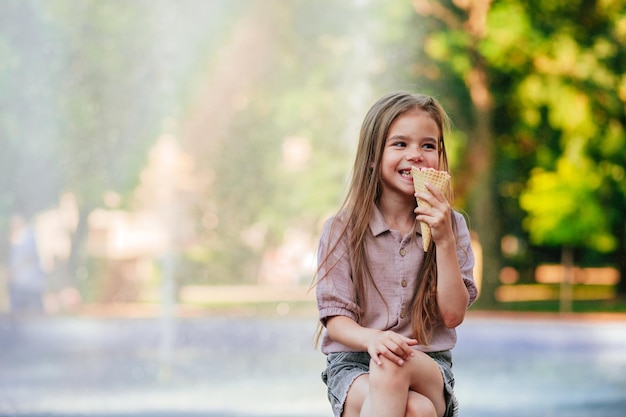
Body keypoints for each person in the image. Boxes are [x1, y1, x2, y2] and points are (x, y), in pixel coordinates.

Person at [314, 91, 478, 417]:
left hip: (428, 363)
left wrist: (444, 240)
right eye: (400, 144)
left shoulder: (452, 224)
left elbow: (453, 316)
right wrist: (373, 339)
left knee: (394, 364)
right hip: (355, 364)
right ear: (373, 156)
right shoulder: (342, 229)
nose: (415, 155)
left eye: (428, 145)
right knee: (417, 410)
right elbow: (335, 321)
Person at [8, 214, 46, 314]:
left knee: (33, 317)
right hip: (20, 285)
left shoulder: (28, 236)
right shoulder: (20, 236)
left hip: (30, 285)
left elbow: (24, 258)